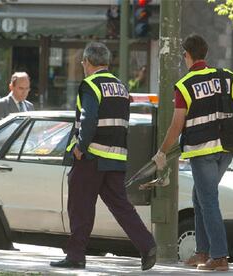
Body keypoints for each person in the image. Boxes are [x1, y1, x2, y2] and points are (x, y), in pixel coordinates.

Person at [152, 34, 233, 271]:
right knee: (200, 198)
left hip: (202, 152)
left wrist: (162, 152)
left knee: (208, 200)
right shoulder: (227, 76)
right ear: (206, 54)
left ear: (186, 56)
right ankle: (202, 252)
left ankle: (219, 256)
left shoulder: (184, 85)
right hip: (227, 150)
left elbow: (177, 124)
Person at [49, 42, 156, 271]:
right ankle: (147, 245)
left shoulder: (90, 85)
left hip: (92, 158)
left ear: (87, 62)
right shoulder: (121, 87)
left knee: (80, 206)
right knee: (121, 206)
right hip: (115, 158)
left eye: (82, 63)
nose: (83, 66)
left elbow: (89, 118)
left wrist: (80, 146)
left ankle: (76, 255)